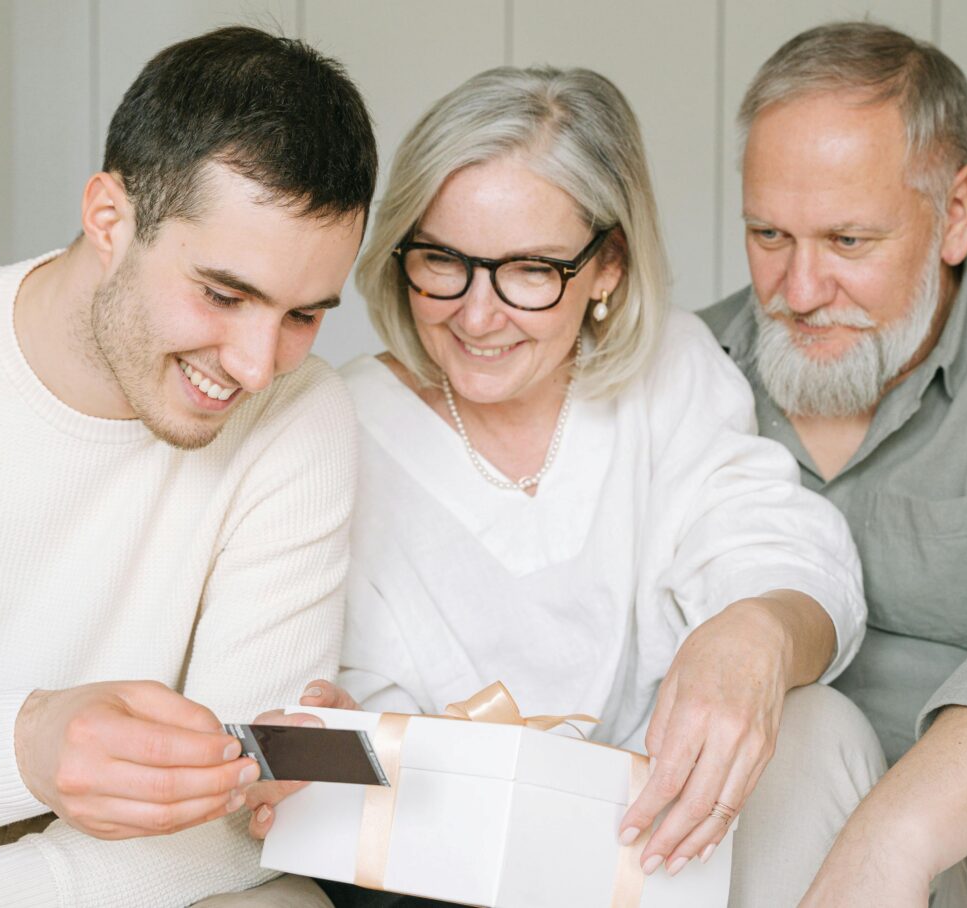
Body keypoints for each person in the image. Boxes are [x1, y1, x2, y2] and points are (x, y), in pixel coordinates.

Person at [247, 65, 885, 908]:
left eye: (530, 271)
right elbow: (279, 720)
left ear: (608, 264)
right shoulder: (334, 424)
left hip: (660, 848)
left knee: (824, 723)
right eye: (442, 261)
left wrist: (758, 630)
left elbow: (779, 544)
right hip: (431, 873)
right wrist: (319, 739)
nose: (477, 316)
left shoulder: (670, 375)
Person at [0, 26, 376, 907]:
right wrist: (24, 742)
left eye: (304, 315)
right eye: (224, 295)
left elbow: (239, 823)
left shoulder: (300, 417)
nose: (255, 363)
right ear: (109, 219)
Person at [699, 21, 967, 907]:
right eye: (768, 235)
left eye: (848, 243)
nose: (798, 293)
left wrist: (894, 837)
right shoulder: (686, 373)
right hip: (766, 839)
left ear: (954, 214)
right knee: (805, 726)